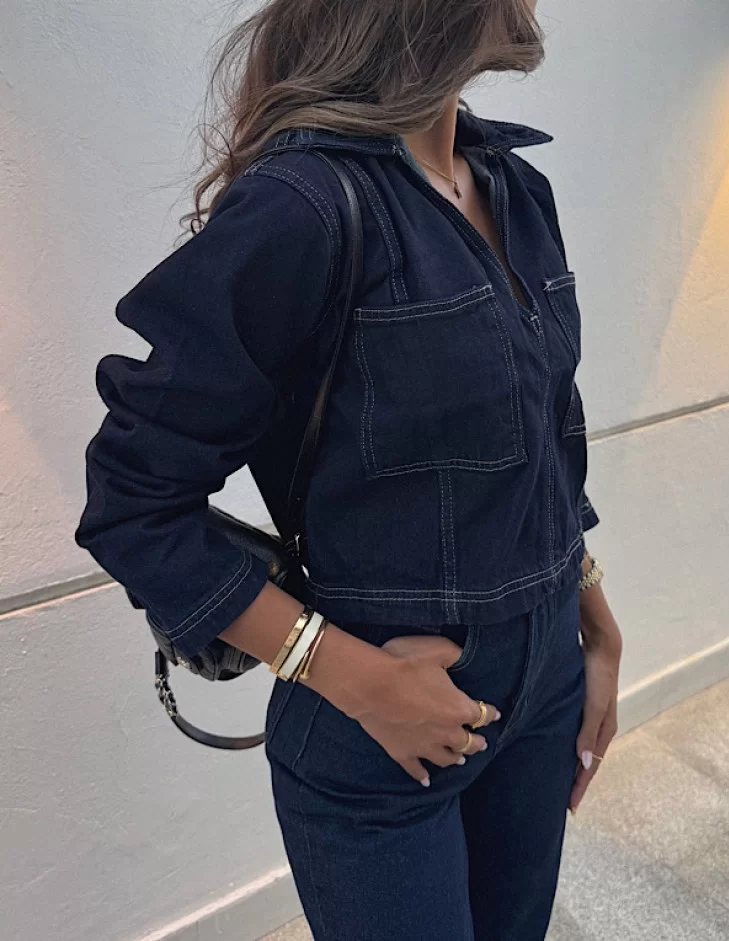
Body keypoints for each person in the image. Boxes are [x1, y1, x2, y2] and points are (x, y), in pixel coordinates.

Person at [76, 1, 623, 938]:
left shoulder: (514, 186)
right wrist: (350, 677)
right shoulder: (306, 206)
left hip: (543, 692)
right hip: (379, 735)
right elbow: (133, 499)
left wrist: (595, 623)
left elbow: (543, 435)